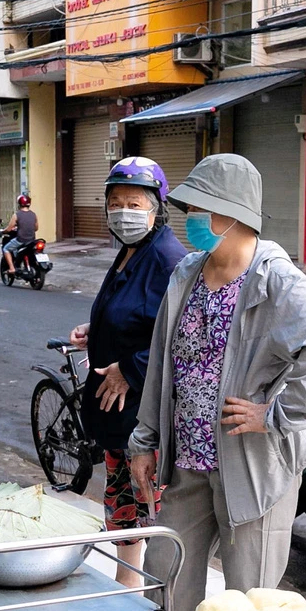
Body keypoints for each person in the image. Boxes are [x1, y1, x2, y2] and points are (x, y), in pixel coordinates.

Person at [130, 154, 306, 611]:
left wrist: (274, 415)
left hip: (253, 465)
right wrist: (145, 440)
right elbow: (163, 367)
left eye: (199, 208)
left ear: (231, 214)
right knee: (168, 574)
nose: (189, 220)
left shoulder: (276, 281)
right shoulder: (188, 275)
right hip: (189, 459)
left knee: (251, 590)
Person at [69, 160, 185, 585]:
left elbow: (179, 338)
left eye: (134, 203)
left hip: (141, 414)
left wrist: (129, 369)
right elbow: (131, 316)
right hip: (116, 414)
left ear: (156, 208)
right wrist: (94, 329)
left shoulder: (169, 260)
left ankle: (156, 597)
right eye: (114, 203)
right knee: (124, 506)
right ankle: (126, 588)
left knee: (149, 509)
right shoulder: (130, 251)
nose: (123, 211)